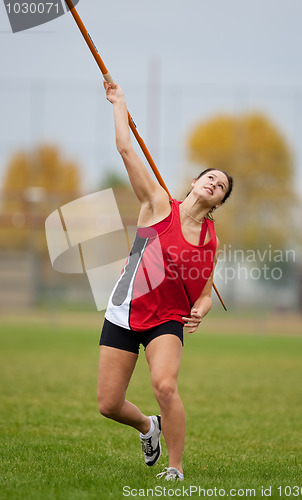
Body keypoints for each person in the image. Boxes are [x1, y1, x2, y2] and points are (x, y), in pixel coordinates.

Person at [97, 81, 233, 481]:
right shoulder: (157, 204)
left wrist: (201, 310)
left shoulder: (211, 240)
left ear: (219, 203)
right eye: (209, 177)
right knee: (108, 404)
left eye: (221, 186)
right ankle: (147, 427)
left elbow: (204, 293)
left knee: (165, 386)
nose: (213, 183)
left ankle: (175, 469)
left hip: (167, 319)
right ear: (195, 182)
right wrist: (119, 103)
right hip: (125, 311)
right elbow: (126, 148)